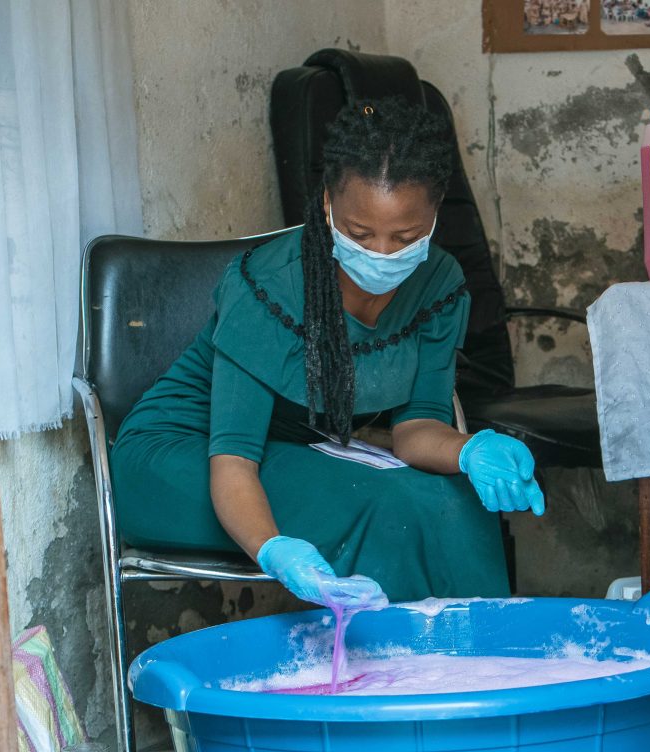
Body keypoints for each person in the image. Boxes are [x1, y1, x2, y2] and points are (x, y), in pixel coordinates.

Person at [110, 97, 544, 612]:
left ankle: (486, 654)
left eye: (405, 237)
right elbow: (234, 461)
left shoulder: (439, 283)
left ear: (433, 216)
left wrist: (471, 451)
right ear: (326, 206)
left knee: (460, 501)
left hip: (292, 452)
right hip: (183, 459)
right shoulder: (269, 287)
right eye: (360, 234)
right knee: (384, 506)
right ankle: (398, 661)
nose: (382, 253)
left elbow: (416, 430)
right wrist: (273, 548)